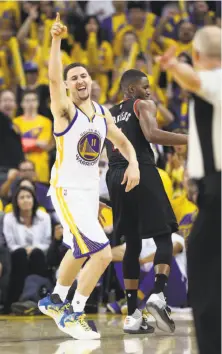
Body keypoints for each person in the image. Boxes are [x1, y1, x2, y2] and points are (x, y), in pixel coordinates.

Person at [38, 13, 140, 340]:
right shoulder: (64, 110)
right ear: (68, 86)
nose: (81, 80)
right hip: (66, 189)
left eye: (85, 75)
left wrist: (134, 163)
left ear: (91, 81)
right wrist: (56, 41)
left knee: (80, 249)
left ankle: (55, 298)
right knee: (102, 253)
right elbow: (52, 79)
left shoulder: (102, 113)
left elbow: (121, 141)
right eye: (74, 77)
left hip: (86, 192)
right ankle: (74, 313)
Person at [106, 68, 187, 334]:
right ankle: (158, 294)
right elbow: (152, 135)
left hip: (115, 175)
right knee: (165, 235)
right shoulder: (143, 104)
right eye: (145, 86)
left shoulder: (108, 113)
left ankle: (132, 317)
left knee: (132, 244)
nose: (149, 91)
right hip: (139, 168)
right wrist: (190, 139)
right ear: (131, 90)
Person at [157, 26, 221, 354]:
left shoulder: (217, 80)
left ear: (197, 56)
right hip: (211, 187)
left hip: (218, 186)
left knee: (203, 259)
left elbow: (196, 81)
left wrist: (172, 67)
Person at [3, 186, 51, 312]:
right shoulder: (9, 218)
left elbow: (47, 242)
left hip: (40, 254)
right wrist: (25, 250)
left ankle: (38, 300)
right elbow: (10, 243)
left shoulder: (44, 217)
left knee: (36, 254)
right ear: (16, 201)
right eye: (22, 197)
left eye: (28, 197)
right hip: (17, 254)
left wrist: (33, 249)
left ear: (34, 200)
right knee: (20, 254)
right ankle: (16, 300)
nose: (25, 200)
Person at [14, 90, 52, 183]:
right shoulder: (15, 122)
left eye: (33, 100)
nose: (30, 103)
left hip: (40, 164)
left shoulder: (46, 121)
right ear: (22, 104)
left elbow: (44, 144)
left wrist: (23, 141)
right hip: (21, 164)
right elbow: (15, 145)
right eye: (27, 100)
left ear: (37, 103)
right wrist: (35, 143)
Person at [0, 90, 24, 185]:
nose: (8, 103)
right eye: (4, 100)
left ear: (15, 105)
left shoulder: (13, 124)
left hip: (15, 170)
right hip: (3, 170)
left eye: (10, 100)